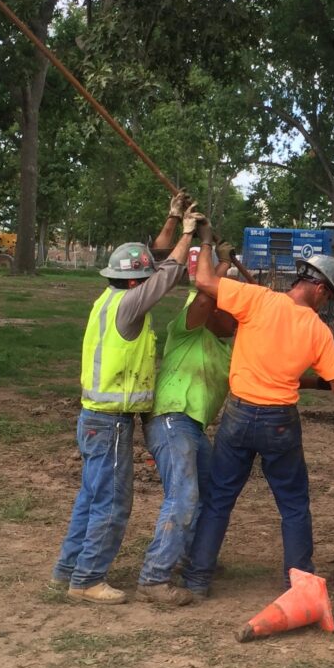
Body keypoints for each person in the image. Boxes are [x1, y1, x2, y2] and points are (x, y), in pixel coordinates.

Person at [181, 245, 334, 598]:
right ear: (321, 289)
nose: (325, 305)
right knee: (294, 505)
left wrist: (206, 244)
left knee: (219, 498)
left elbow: (203, 280)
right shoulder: (317, 330)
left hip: (238, 414)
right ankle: (299, 585)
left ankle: (196, 580)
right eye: (328, 299)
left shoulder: (257, 299)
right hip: (279, 422)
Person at [51, 193, 206, 605]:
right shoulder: (132, 304)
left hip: (93, 419)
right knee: (113, 504)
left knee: (90, 496)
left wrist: (172, 221)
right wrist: (190, 237)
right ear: (137, 282)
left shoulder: (108, 298)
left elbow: (154, 257)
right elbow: (168, 272)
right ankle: (87, 579)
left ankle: (67, 568)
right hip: (111, 423)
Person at [135, 238, 239, 607]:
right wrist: (218, 258)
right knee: (184, 495)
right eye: (224, 310)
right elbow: (207, 296)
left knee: (210, 495)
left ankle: (190, 558)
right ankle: (154, 577)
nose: (228, 317)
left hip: (191, 427)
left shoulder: (229, 346)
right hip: (170, 417)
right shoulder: (188, 328)